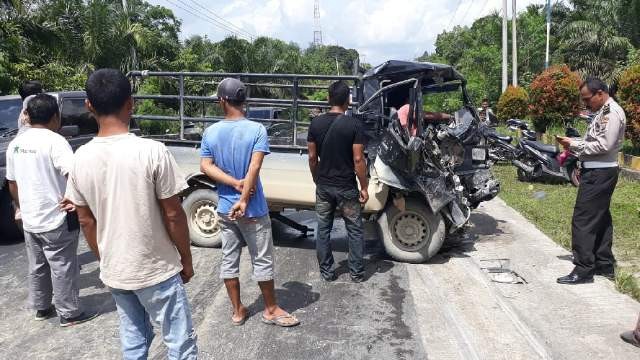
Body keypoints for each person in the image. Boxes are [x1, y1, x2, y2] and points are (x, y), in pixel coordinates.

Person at [64, 69, 198, 359]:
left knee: (134, 340)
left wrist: (106, 259)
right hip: (156, 269)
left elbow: (86, 220)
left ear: (88, 105)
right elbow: (174, 214)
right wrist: (186, 259)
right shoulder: (152, 151)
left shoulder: (79, 159)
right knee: (179, 344)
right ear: (131, 103)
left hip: (116, 271)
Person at [200, 77, 300, 327]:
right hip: (252, 209)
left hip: (225, 208)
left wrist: (233, 185)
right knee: (262, 259)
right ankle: (271, 309)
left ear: (222, 101)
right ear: (244, 101)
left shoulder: (210, 132)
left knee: (229, 259)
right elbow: (254, 166)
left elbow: (205, 166)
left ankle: (237, 311)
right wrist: (244, 197)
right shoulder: (257, 130)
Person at [5, 93, 97, 326]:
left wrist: (21, 207)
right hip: (57, 217)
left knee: (37, 265)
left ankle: (42, 307)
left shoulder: (16, 144)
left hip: (30, 218)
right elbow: (73, 175)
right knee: (62, 265)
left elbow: (12, 183)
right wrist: (78, 201)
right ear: (55, 116)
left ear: (27, 116)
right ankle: (70, 313)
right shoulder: (55, 142)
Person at [556, 77, 626, 285]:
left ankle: (584, 268)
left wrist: (575, 147)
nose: (586, 104)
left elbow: (604, 145)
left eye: (588, 99)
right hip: (598, 171)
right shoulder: (602, 112)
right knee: (601, 218)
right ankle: (604, 264)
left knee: (583, 220)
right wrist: (573, 142)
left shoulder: (611, 113)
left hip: (599, 173)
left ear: (600, 94)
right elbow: (593, 141)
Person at [307, 80, 368, 283]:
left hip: (324, 187)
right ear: (348, 101)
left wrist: (317, 178)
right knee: (354, 229)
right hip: (347, 188)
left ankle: (327, 272)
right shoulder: (354, 125)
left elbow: (312, 157)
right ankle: (357, 273)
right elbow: (358, 159)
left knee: (323, 229)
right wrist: (364, 187)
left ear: (328, 98)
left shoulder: (315, 123)